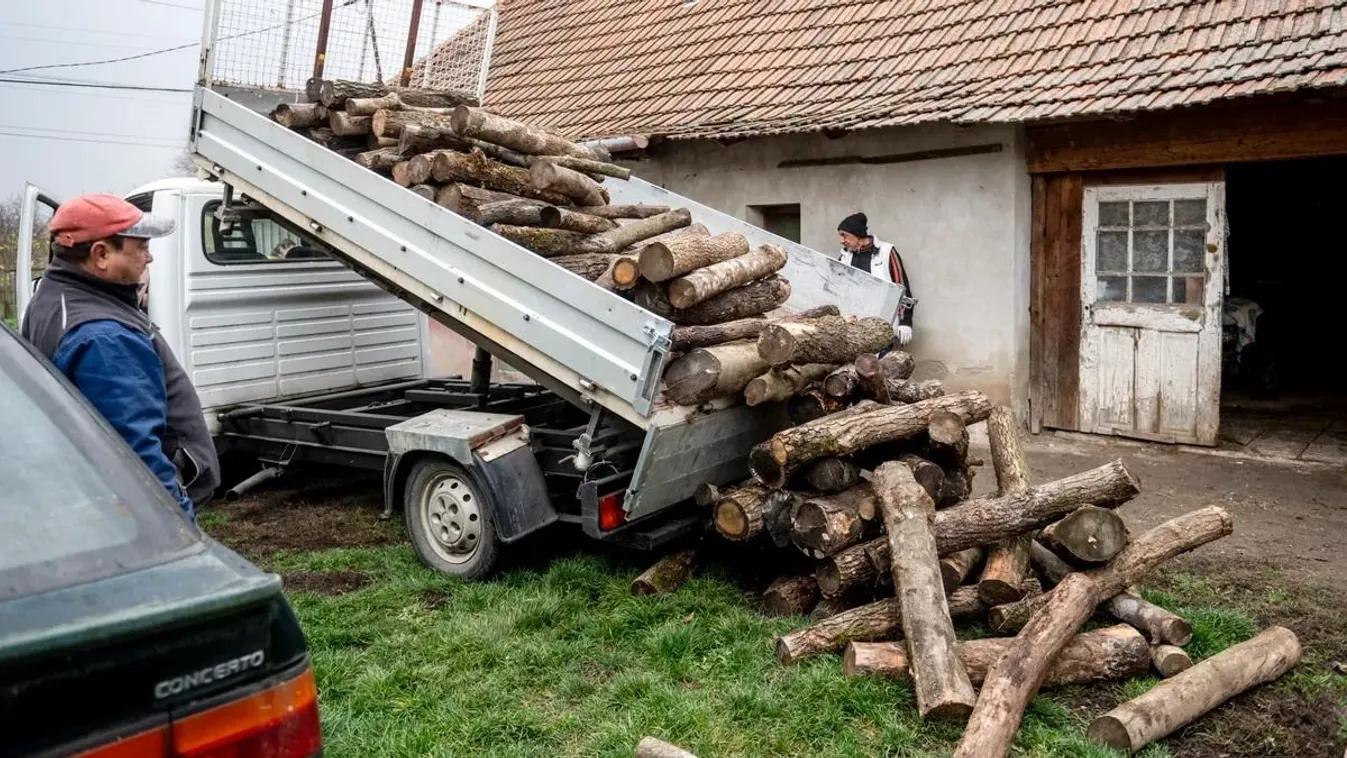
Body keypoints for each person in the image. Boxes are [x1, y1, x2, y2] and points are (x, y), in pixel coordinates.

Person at [21, 194, 220, 520]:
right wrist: (179, 533)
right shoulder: (105, 338)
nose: (149, 257)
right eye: (140, 247)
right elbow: (138, 458)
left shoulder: (54, 295)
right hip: (146, 516)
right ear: (101, 254)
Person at [837, 212, 916, 347]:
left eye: (845, 235)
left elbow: (901, 287)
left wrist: (905, 321)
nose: (841, 240)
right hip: (853, 324)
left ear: (858, 235)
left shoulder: (886, 252)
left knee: (877, 365)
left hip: (881, 325)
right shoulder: (845, 256)